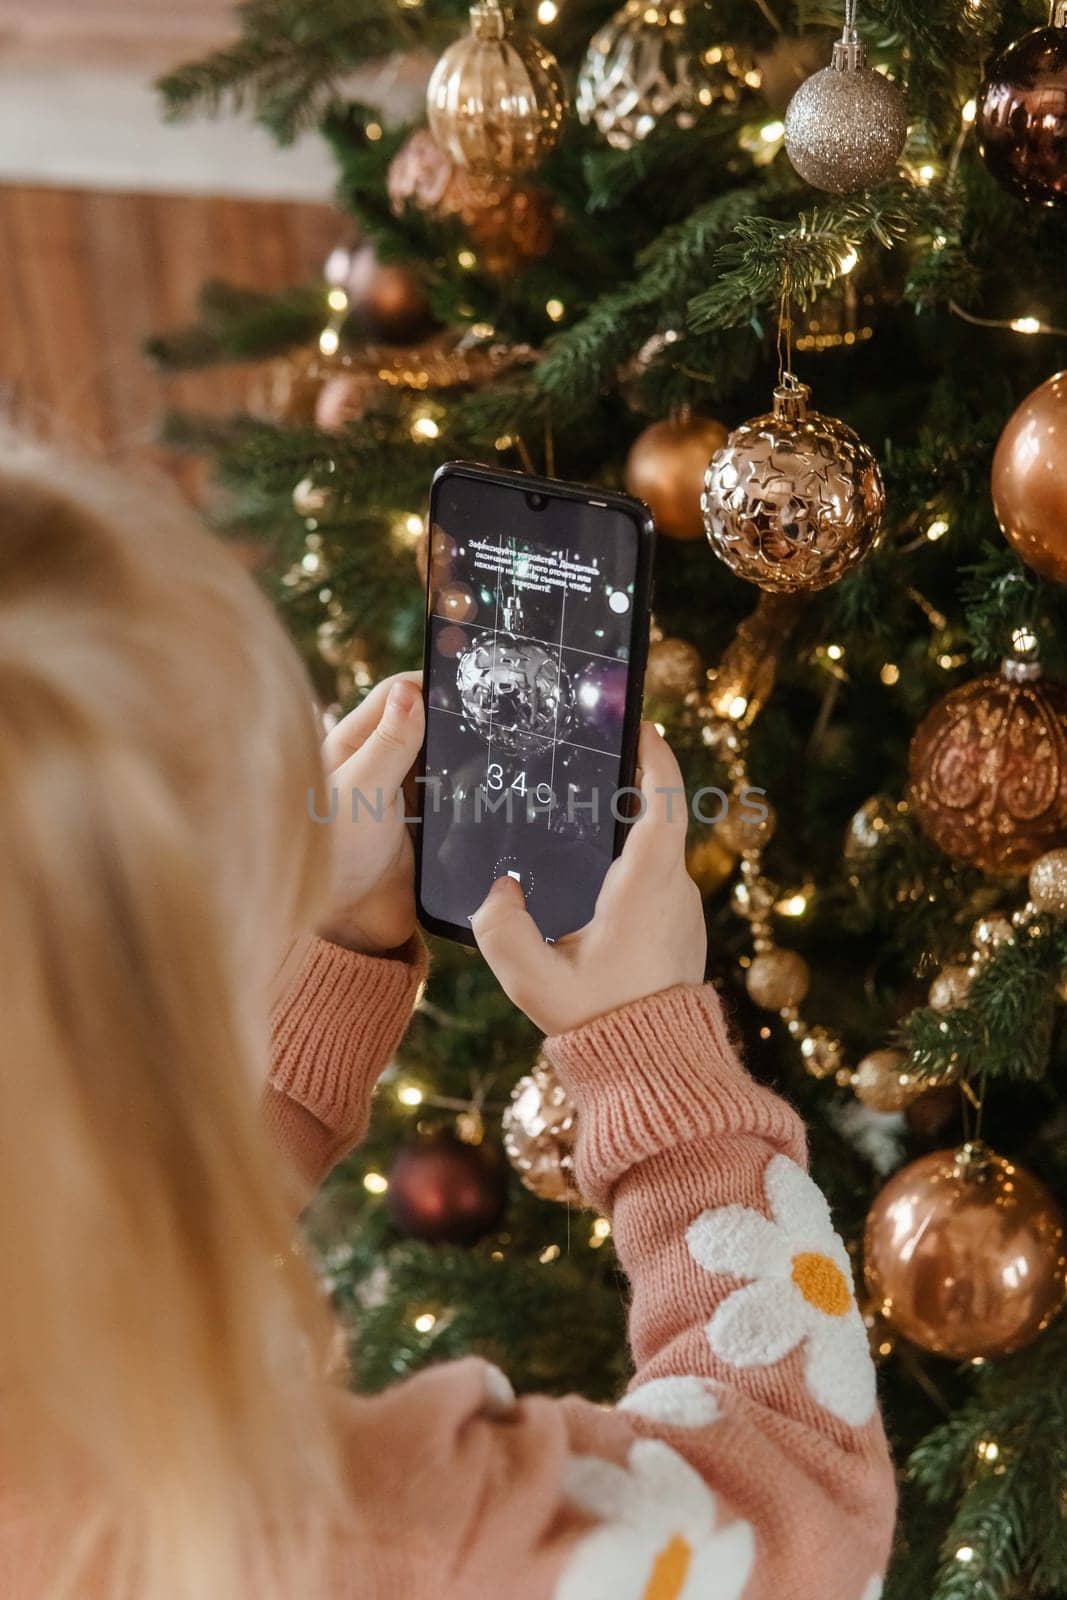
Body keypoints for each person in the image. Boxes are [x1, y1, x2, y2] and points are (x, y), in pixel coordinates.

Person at [0, 436, 895, 1600]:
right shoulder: (351, 1533)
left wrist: (332, 956)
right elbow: (797, 1502)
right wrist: (656, 1055)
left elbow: (97, 1226)